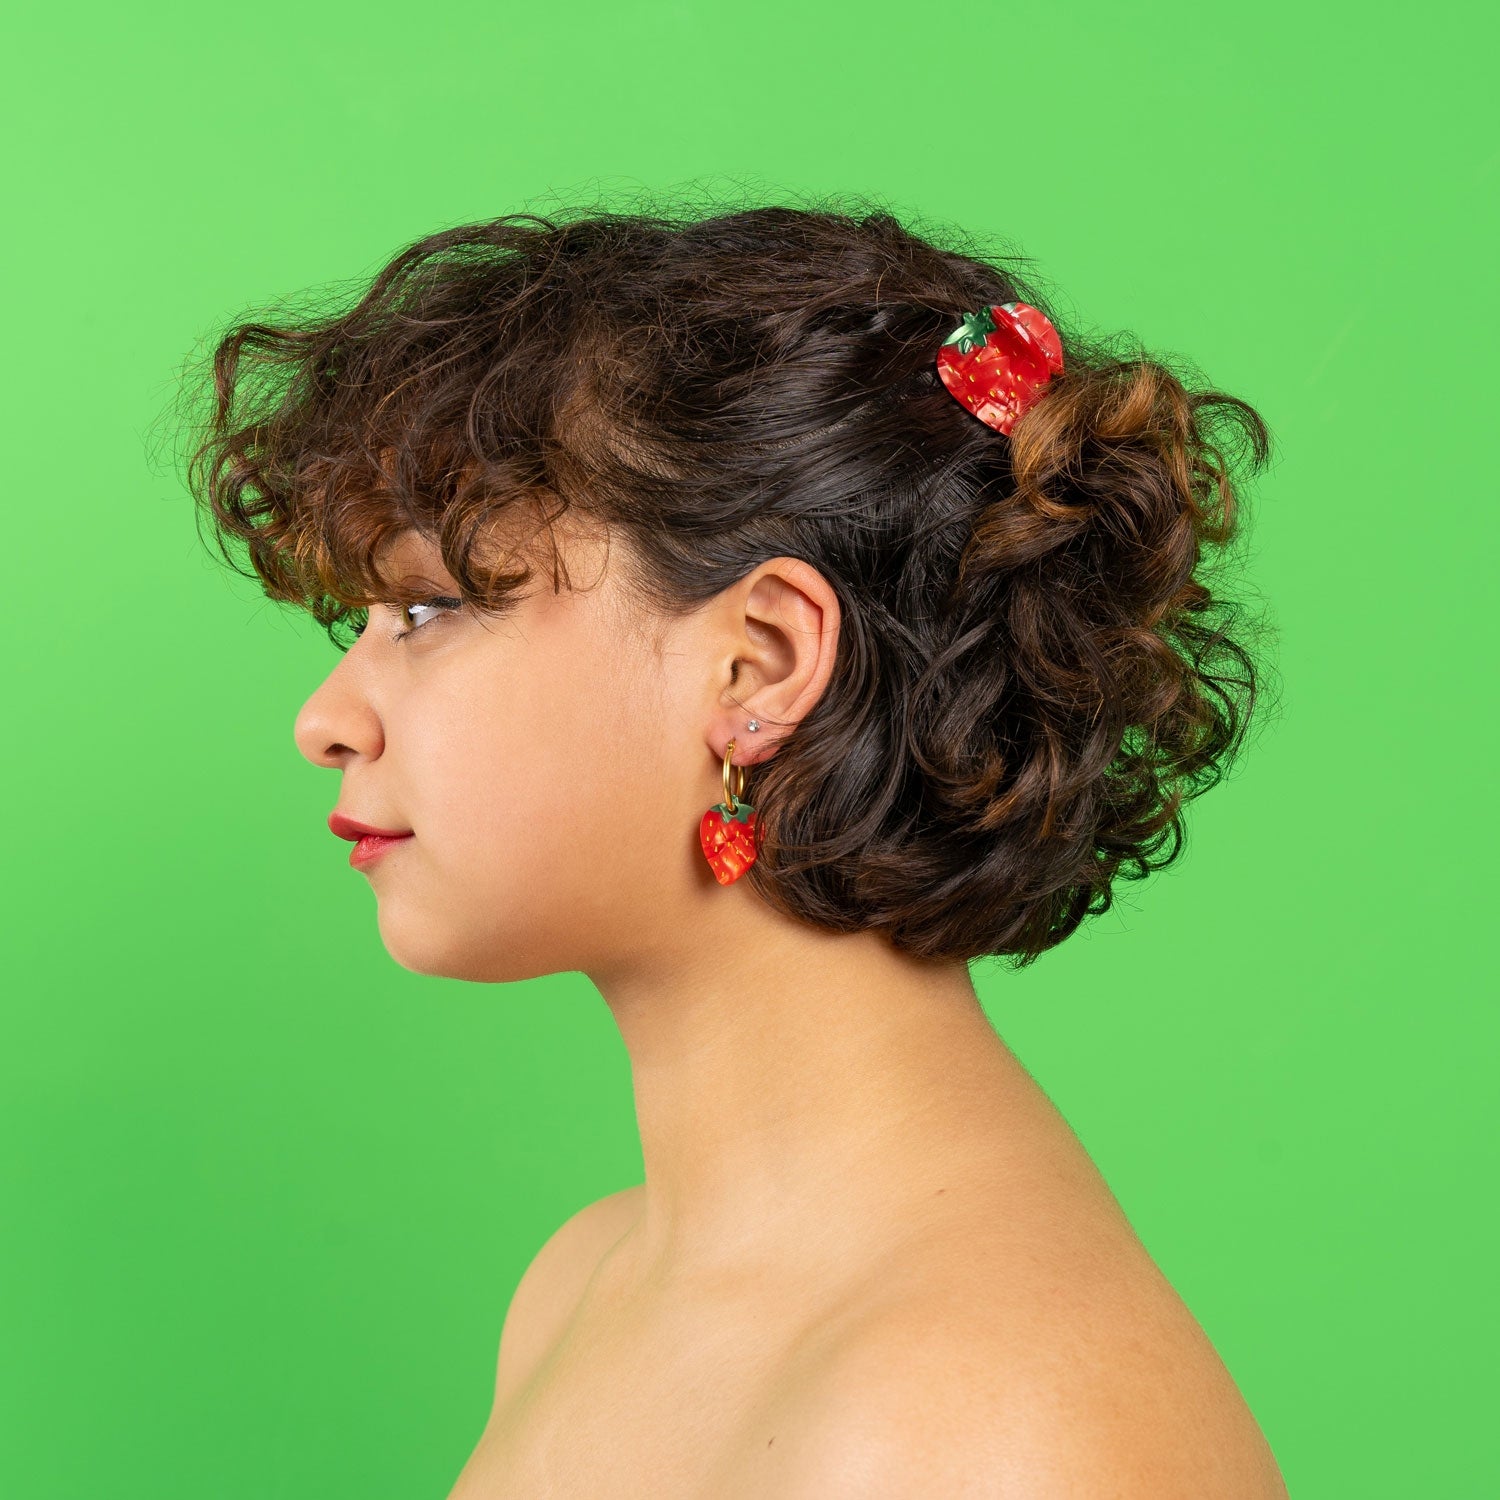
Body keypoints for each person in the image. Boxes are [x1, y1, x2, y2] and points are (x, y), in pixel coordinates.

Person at [182, 202, 1288, 1496]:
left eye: (429, 607)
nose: (326, 722)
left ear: (758, 663)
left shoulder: (971, 1425)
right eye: (359, 626)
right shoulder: (584, 1284)